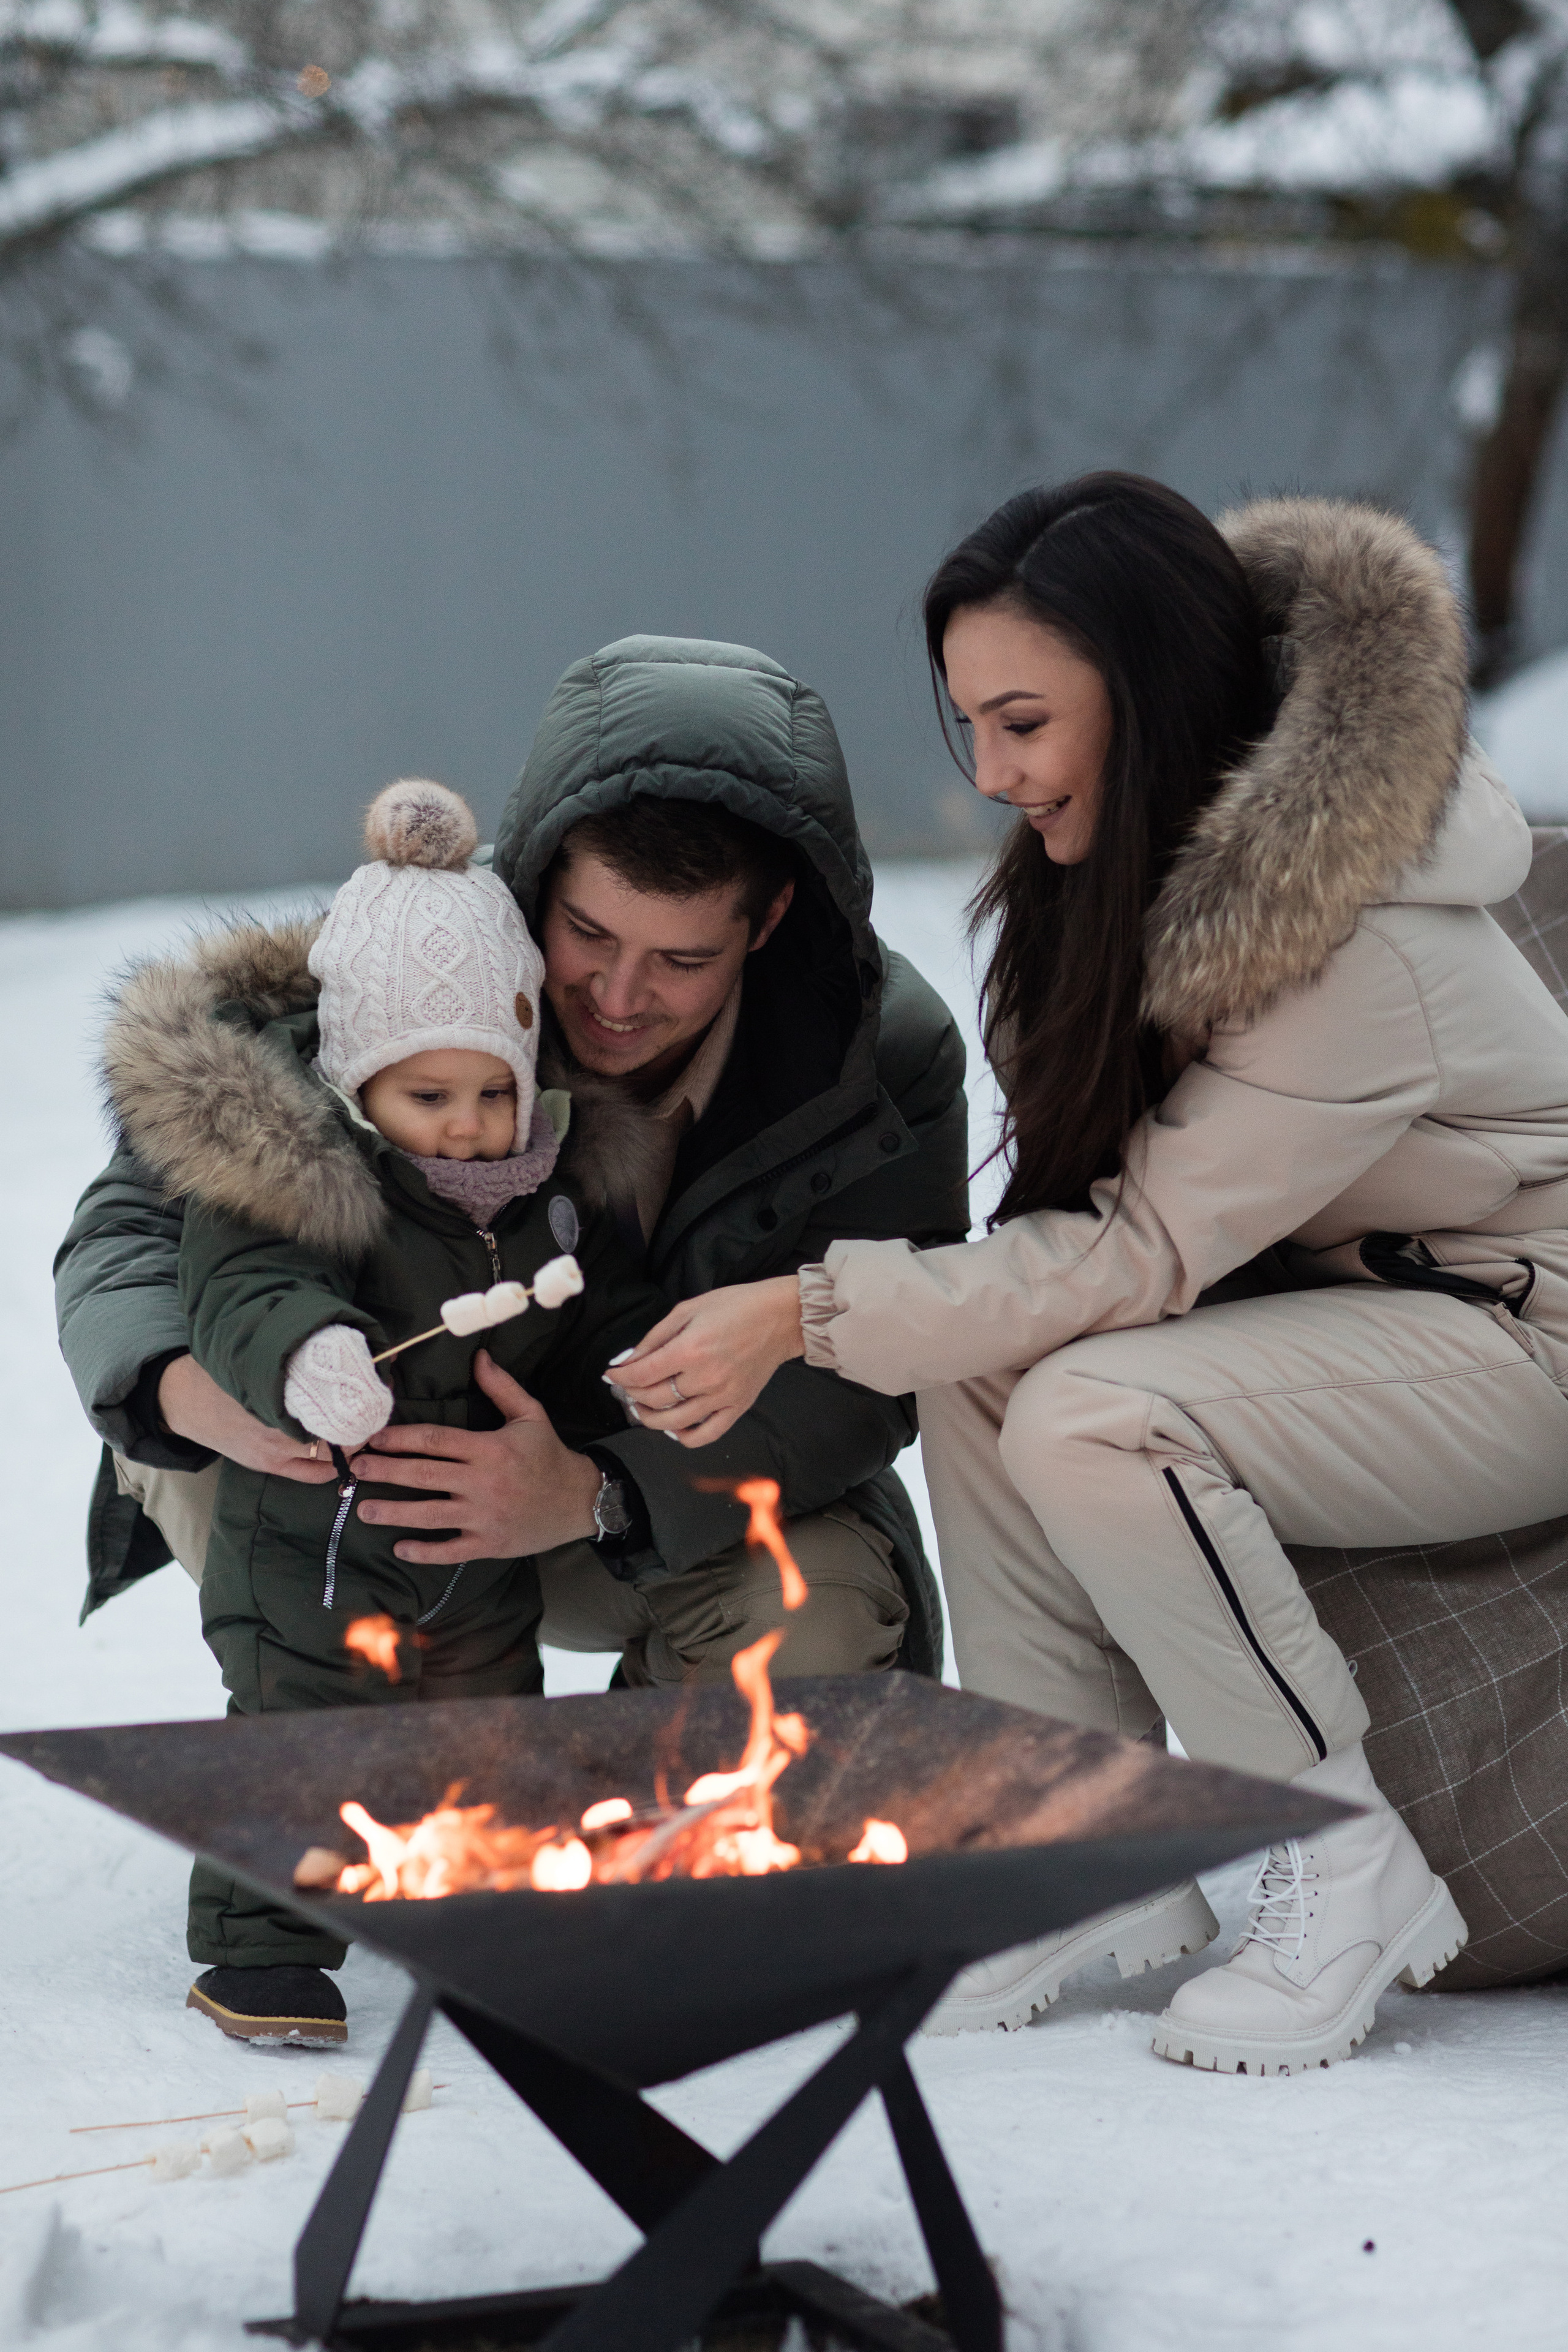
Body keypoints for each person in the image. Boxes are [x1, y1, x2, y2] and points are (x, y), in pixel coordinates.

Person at [608, 475, 1568, 2079]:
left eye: (1024, 723)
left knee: (1097, 1416)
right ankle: (1074, 1837)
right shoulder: (1125, 881)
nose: (990, 775)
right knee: (992, 1363)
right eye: (967, 724)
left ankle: (1343, 1865)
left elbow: (1137, 1253)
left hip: (1531, 1340)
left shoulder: (1360, 945)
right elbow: (1073, 1246)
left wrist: (807, 1315)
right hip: (1381, 1308)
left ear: (1153, 691)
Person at [56, 636, 968, 1702]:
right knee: (220, 1451)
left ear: (766, 922)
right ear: (539, 873)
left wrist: (601, 1491)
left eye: (682, 962)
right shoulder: (422, 963)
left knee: (813, 1603)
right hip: (354, 1482)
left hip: (660, 1498)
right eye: (587, 934)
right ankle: (345, 1762)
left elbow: (869, 1370)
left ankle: (672, 1801)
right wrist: (186, 1391)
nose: (619, 998)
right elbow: (127, 1230)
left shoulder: (874, 1057)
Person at [99, 777, 685, 2043]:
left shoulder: (555, 1191)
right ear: (360, 1085)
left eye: (493, 1091)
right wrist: (307, 1353)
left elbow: (593, 1317)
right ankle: (262, 1950)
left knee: (489, 1726)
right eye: (431, 1099)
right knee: (304, 1734)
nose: (471, 1129)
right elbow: (244, 1287)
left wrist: (627, 1364)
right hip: (308, 1542)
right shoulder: (301, 1180)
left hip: (471, 1552)